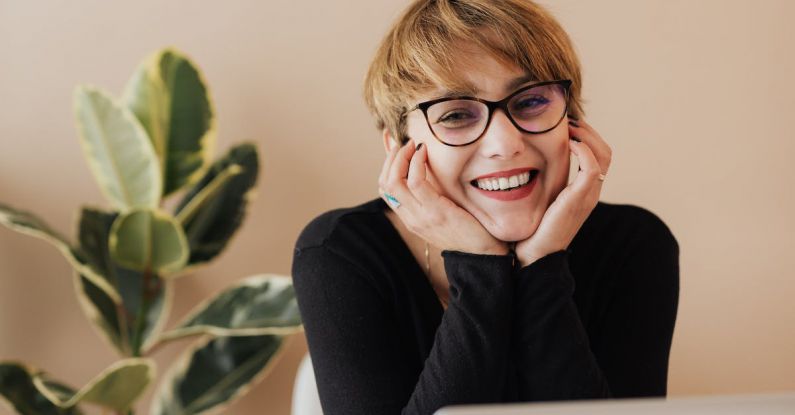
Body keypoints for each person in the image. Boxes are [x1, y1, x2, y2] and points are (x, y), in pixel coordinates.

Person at [291, 0, 680, 414]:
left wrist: (541, 266)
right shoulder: (339, 254)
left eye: (530, 101)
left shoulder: (634, 245)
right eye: (457, 114)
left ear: (573, 120)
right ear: (398, 147)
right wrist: (479, 267)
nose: (505, 144)